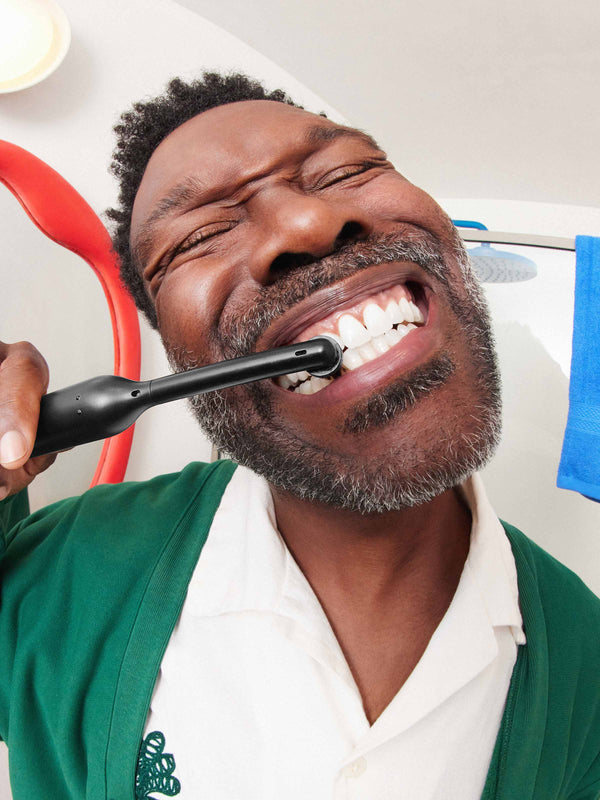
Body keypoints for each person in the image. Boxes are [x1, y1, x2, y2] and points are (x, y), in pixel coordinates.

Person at [0, 72, 598, 800]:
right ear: (181, 356)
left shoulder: (586, 661)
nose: (306, 225)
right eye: (202, 235)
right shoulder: (56, 575)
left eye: (345, 172)